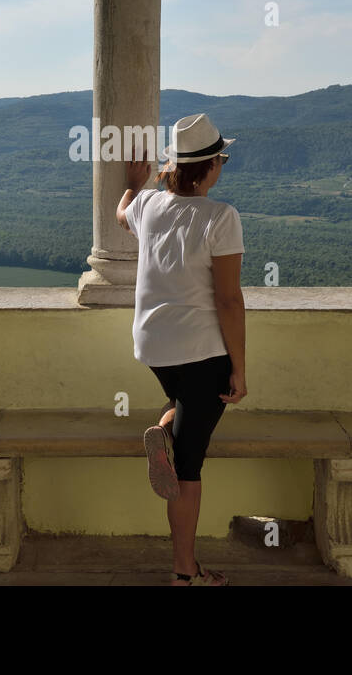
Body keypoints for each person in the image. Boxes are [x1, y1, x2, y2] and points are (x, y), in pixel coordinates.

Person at [115, 112, 246, 586]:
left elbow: (120, 214)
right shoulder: (221, 217)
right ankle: (185, 573)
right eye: (222, 160)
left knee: (181, 403)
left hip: (153, 347)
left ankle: (165, 430)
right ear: (211, 166)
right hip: (201, 352)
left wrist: (134, 183)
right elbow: (229, 299)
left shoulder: (148, 205)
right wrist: (240, 369)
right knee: (189, 469)